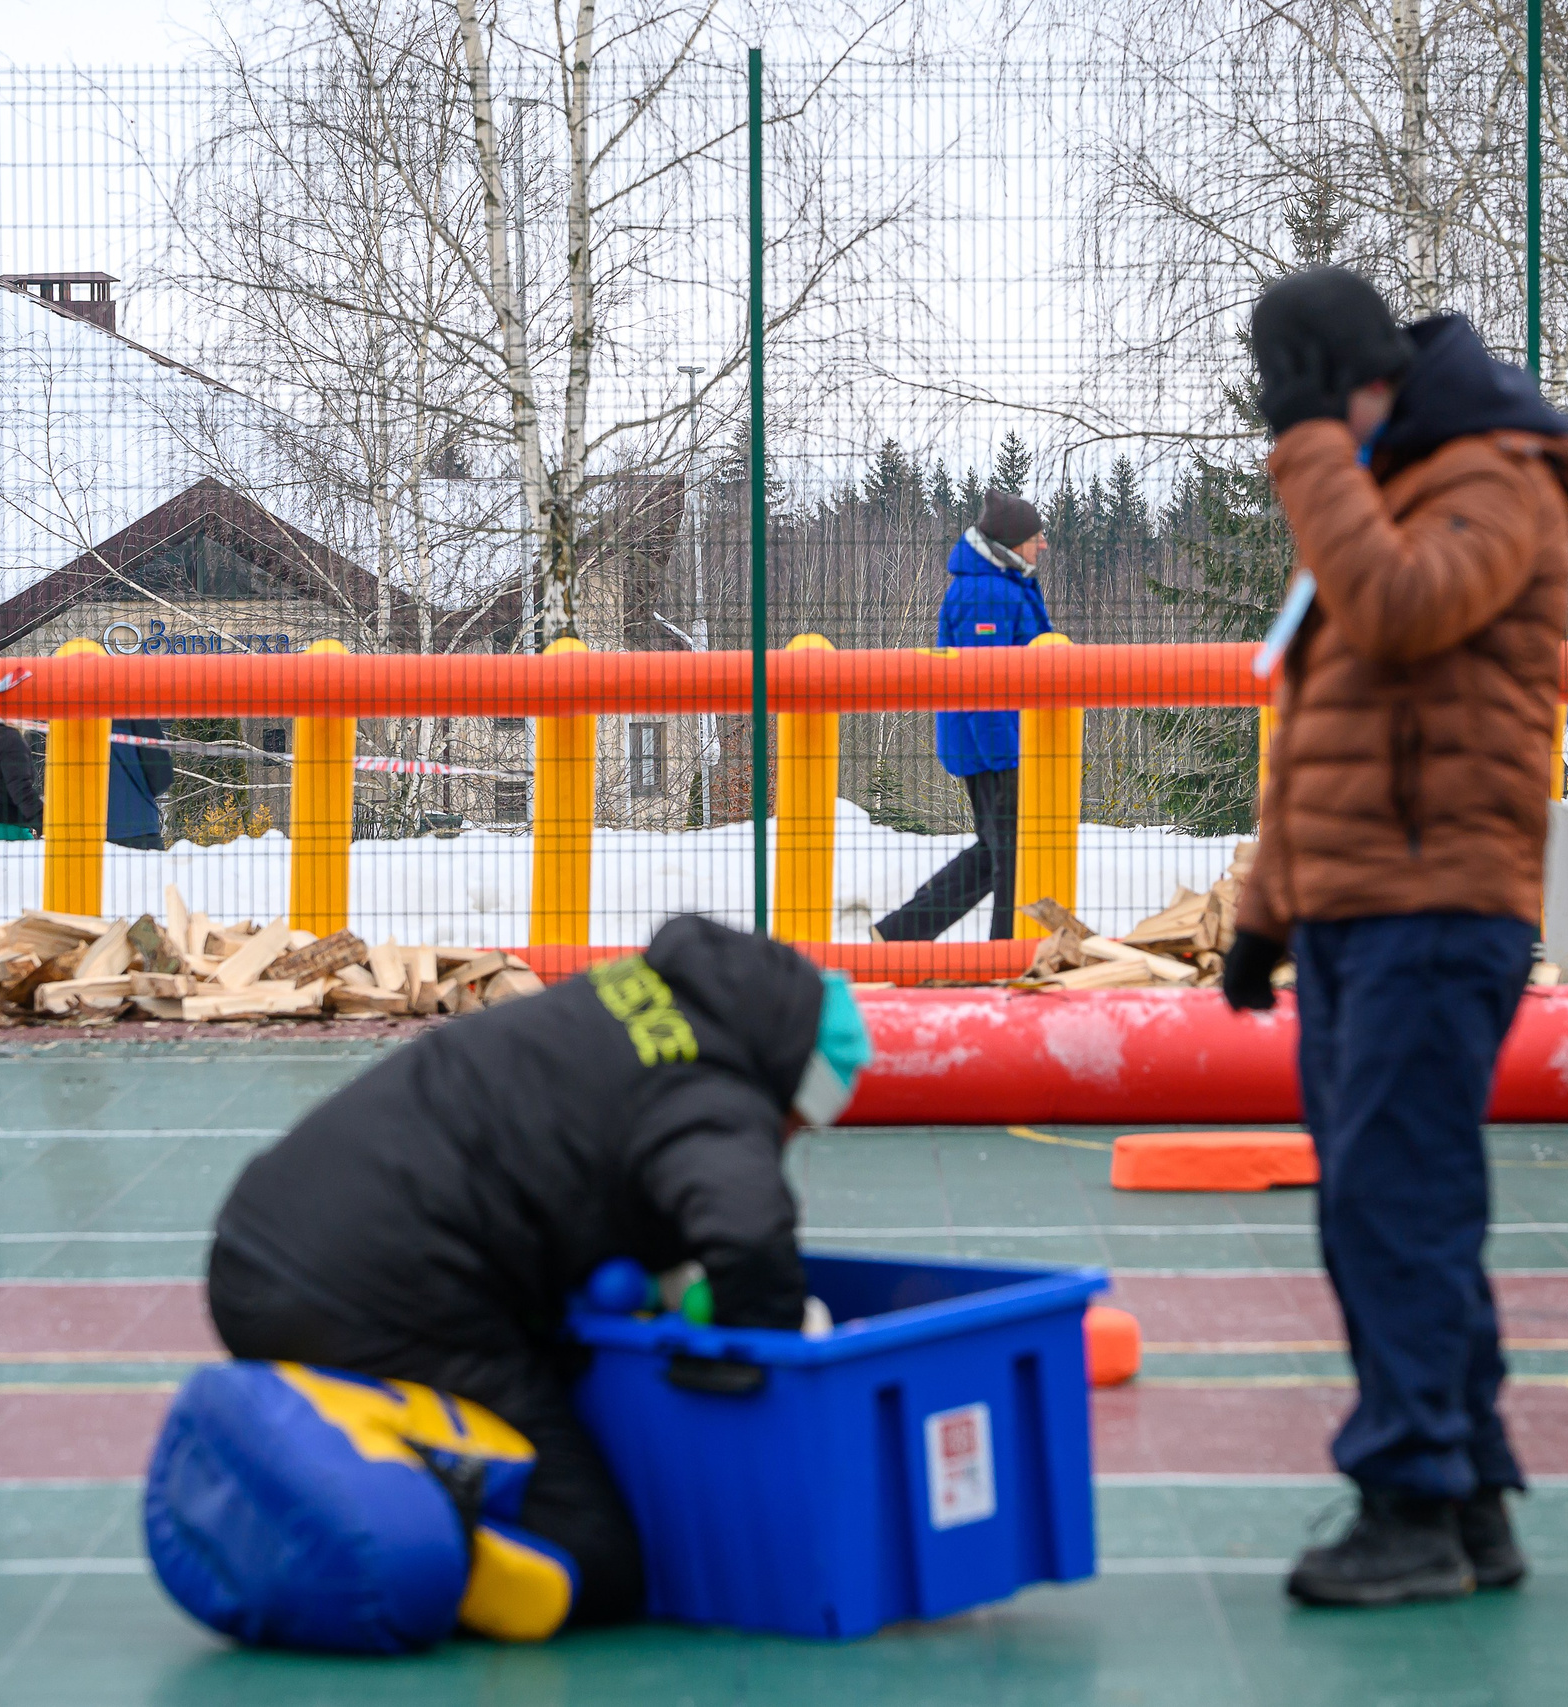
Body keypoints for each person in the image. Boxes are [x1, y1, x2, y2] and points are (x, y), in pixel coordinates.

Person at [1223, 267, 1568, 1607]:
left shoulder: (1499, 481)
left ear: (1350, 384)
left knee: (1398, 1209)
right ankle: (1472, 1488)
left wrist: (1311, 447)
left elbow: (1394, 608)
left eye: (1299, 395)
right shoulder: (1382, 482)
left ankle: (1413, 1496)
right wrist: (1264, 908)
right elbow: (1322, 713)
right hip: (1361, 903)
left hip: (1438, 905)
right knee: (1390, 1206)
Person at [201, 915, 873, 1627]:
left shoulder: (636, 992)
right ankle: (391, 1489)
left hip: (263, 1240)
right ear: (788, 1083)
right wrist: (774, 1337)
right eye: (797, 1122)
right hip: (365, 1294)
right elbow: (749, 1235)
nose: (788, 1136)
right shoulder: (711, 1095)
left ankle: (353, 1427)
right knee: (593, 1549)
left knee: (547, 1368)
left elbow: (587, 1148)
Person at [875, 492, 1054, 942]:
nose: (1044, 544)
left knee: (999, 849)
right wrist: (1005, 753)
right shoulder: (985, 591)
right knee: (1010, 851)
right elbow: (983, 681)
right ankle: (1002, 955)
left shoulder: (1004, 581)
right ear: (1013, 542)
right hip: (995, 743)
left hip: (1005, 737)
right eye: (1036, 537)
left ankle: (901, 934)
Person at [107, 719, 174, 849]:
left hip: (75, 834)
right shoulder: (135, 710)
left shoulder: (62, 711)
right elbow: (161, 774)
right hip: (137, 827)